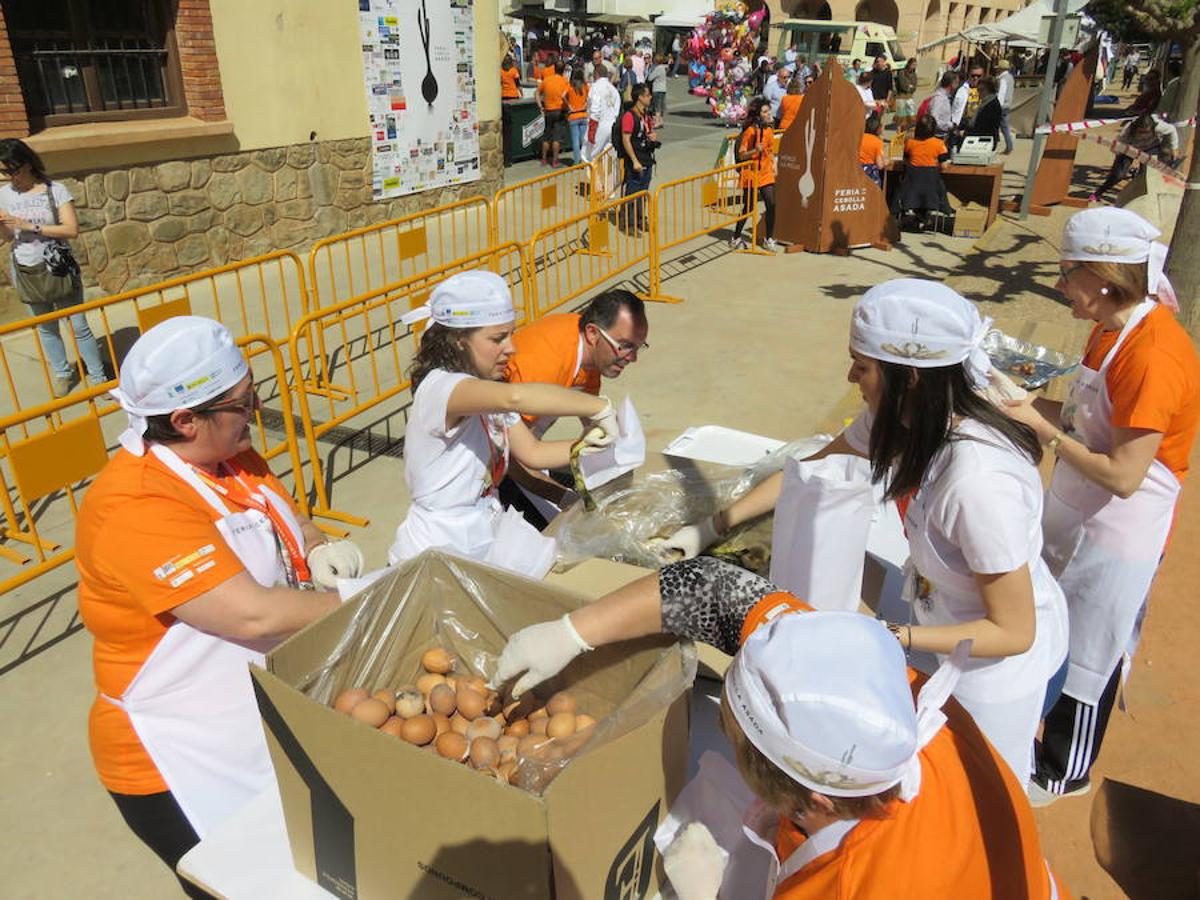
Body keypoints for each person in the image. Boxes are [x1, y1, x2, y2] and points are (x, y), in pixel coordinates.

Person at [653, 280, 1069, 784]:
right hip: (943, 618)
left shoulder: (980, 483)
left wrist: (894, 635)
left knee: (966, 795)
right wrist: (713, 526)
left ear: (911, 376)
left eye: (862, 365)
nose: (851, 375)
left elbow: (1012, 631)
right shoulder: (900, 418)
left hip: (993, 670)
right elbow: (813, 471)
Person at [494, 562, 1067, 898]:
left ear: (813, 799)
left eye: (734, 735)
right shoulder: (890, 696)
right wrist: (571, 633)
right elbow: (713, 592)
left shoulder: (849, 883)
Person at [76, 316, 364, 897]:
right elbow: (249, 613)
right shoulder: (134, 505)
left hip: (253, 711)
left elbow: (288, 521)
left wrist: (319, 547)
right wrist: (365, 599)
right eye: (242, 402)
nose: (256, 410)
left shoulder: (232, 457)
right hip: (176, 753)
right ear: (184, 420)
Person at [1001, 208, 1199, 806]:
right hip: (1077, 504)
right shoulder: (1110, 328)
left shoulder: (1153, 355)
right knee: (1057, 624)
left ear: (1106, 277)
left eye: (1068, 274)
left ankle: (1067, 769)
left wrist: (1040, 426)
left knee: (1092, 647)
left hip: (1119, 526)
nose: (1060, 285)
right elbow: (1091, 414)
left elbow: (1124, 474)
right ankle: (1037, 739)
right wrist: (1025, 401)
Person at [389, 271, 618, 575]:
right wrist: (598, 407)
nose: (511, 348)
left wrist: (593, 445)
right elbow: (516, 398)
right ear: (459, 340)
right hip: (436, 552)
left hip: (484, 536)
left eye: (510, 334)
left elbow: (533, 453)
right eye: (497, 339)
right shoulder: (441, 389)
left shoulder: (488, 391)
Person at [499, 290, 649, 527]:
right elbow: (513, 458)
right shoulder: (544, 364)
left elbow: (590, 417)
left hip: (521, 449)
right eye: (625, 346)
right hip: (494, 464)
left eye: (639, 347)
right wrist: (564, 497)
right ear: (592, 333)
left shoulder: (590, 353)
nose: (633, 358)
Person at [0, 138, 106, 398]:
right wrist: (4, 225)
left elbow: (71, 230)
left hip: (58, 267)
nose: (10, 177)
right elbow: (7, 237)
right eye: (4, 172)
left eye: (13, 170)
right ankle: (62, 374)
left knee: (78, 325)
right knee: (46, 327)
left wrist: (29, 225)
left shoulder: (54, 190)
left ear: (27, 164)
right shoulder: (4, 194)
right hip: (26, 268)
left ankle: (98, 377)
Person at [1087, 112, 1179, 203]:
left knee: (1146, 174)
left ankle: (1140, 197)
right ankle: (1097, 194)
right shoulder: (1128, 130)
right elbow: (1117, 146)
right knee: (1118, 175)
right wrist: (1120, 159)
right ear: (1136, 128)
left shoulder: (1159, 126)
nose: (1144, 135)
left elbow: (1172, 130)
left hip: (1150, 148)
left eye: (1147, 132)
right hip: (1129, 148)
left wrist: (1174, 148)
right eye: (1141, 132)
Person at [729, 97, 778, 252]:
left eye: (768, 110)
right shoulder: (750, 132)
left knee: (771, 204)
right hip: (750, 172)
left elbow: (770, 151)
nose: (768, 113)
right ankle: (735, 237)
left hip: (765, 172)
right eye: (765, 111)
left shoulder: (770, 131)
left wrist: (774, 163)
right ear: (758, 115)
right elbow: (742, 154)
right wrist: (754, 151)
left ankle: (769, 238)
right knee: (749, 207)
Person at [893, 114, 953, 231]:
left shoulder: (909, 143)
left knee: (905, 187)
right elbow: (944, 166)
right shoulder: (939, 144)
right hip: (931, 185)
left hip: (912, 185)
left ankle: (917, 216)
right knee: (932, 188)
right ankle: (923, 217)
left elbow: (905, 161)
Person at [616, 83, 658, 233]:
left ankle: (640, 219)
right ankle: (628, 223)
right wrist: (634, 160)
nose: (650, 97)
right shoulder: (629, 116)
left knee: (643, 192)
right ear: (640, 97)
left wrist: (652, 136)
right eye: (647, 95)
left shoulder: (645, 114)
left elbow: (645, 132)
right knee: (632, 193)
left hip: (646, 158)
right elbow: (626, 139)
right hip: (635, 161)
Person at [538, 60, 569, 167]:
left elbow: (537, 93)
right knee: (557, 138)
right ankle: (555, 161)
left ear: (554, 68)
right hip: (560, 111)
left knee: (546, 136)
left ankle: (544, 159)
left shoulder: (547, 80)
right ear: (564, 70)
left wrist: (540, 106)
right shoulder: (565, 82)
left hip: (548, 111)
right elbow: (566, 96)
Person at [966, 75, 1002, 147]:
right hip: (979, 140)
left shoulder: (993, 105)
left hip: (984, 143)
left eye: (980, 90)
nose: (978, 93)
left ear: (988, 90)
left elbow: (984, 128)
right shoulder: (985, 103)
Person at [564, 68, 590, 164]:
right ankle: (584, 159)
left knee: (575, 140)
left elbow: (563, 95)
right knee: (583, 140)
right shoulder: (585, 86)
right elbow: (590, 97)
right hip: (583, 114)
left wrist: (569, 106)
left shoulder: (570, 86)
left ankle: (576, 161)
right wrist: (585, 105)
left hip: (573, 116)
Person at [928, 71, 959, 140]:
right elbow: (934, 120)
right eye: (957, 83)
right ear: (952, 84)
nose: (957, 86)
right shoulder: (939, 98)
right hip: (937, 138)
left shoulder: (945, 97)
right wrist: (950, 125)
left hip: (942, 136)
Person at [893, 57, 918, 133]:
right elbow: (903, 85)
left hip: (909, 97)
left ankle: (905, 134)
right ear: (909, 64)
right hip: (901, 96)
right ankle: (898, 135)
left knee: (910, 117)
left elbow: (914, 86)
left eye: (915, 65)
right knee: (900, 118)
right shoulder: (902, 72)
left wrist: (910, 87)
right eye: (913, 64)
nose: (914, 66)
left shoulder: (914, 74)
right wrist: (909, 87)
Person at [860, 113, 886, 187]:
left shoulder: (859, 137)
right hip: (869, 175)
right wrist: (886, 162)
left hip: (857, 171)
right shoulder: (877, 142)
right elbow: (880, 165)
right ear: (878, 129)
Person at [995, 59, 1016, 154]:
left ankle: (1008, 147)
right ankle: (1009, 146)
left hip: (1002, 106)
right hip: (1007, 105)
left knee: (1000, 127)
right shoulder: (1010, 77)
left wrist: (997, 106)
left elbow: (1001, 94)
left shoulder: (1003, 79)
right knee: (1005, 127)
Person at [647, 53, 669, 124]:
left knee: (657, 107)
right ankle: (661, 120)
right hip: (663, 89)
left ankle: (657, 122)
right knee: (661, 106)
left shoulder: (658, 68)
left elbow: (650, 78)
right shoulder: (664, 68)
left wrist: (650, 71)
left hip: (657, 89)